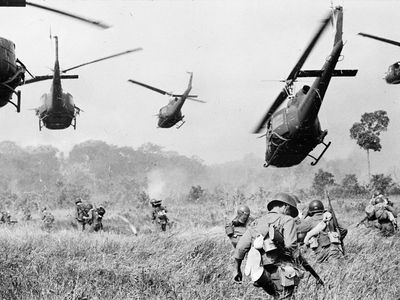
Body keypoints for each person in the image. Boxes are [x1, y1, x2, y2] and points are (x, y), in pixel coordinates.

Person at [234, 193, 302, 299]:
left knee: (276, 296)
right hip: (282, 269)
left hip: (262, 273)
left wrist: (237, 269)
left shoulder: (256, 223)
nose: (289, 214)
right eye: (290, 211)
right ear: (286, 206)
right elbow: (290, 245)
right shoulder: (288, 220)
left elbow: (240, 247)